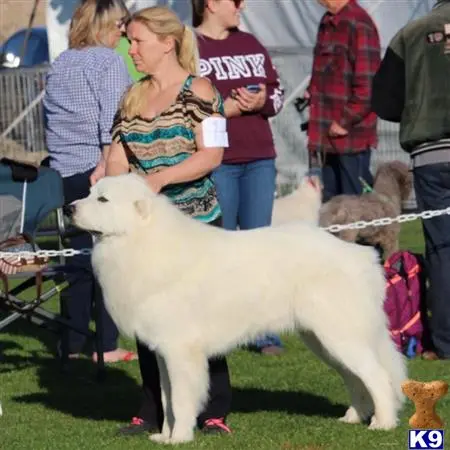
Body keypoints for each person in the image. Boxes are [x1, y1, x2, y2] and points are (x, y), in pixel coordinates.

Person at [93, 6, 232, 435]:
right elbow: (117, 159)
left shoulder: (202, 91)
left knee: (200, 321)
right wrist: (106, 180)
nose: (129, 49)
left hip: (197, 224)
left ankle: (213, 411)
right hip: (143, 233)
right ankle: (152, 410)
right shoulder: (131, 97)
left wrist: (160, 179)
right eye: (128, 41)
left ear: (167, 43)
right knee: (149, 323)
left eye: (137, 41)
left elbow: (212, 155)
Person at [44, 0, 136, 363]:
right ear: (103, 27)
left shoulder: (61, 63)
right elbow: (112, 122)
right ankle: (107, 345)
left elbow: (49, 120)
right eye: (119, 26)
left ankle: (74, 341)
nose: (123, 33)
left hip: (63, 172)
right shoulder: (108, 61)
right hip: (98, 170)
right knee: (106, 260)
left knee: (76, 259)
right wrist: (107, 168)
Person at [191, 0, 285, 355]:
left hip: (259, 158)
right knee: (219, 250)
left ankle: (265, 332)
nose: (241, 6)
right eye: (235, 1)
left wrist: (261, 99)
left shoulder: (250, 43)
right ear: (212, 3)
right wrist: (223, 107)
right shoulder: (190, 47)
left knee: (261, 250)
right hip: (219, 161)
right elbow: (185, 102)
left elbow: (276, 94)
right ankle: (220, 330)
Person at [371, 0, 450, 361]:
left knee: (441, 249)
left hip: (431, 155)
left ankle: (445, 344)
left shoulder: (411, 33)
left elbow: (384, 102)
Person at [306, 0, 380, 202]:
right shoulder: (327, 21)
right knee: (331, 209)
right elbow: (326, 71)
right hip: (327, 136)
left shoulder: (359, 23)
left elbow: (369, 86)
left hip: (350, 139)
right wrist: (311, 91)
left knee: (354, 209)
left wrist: (344, 121)